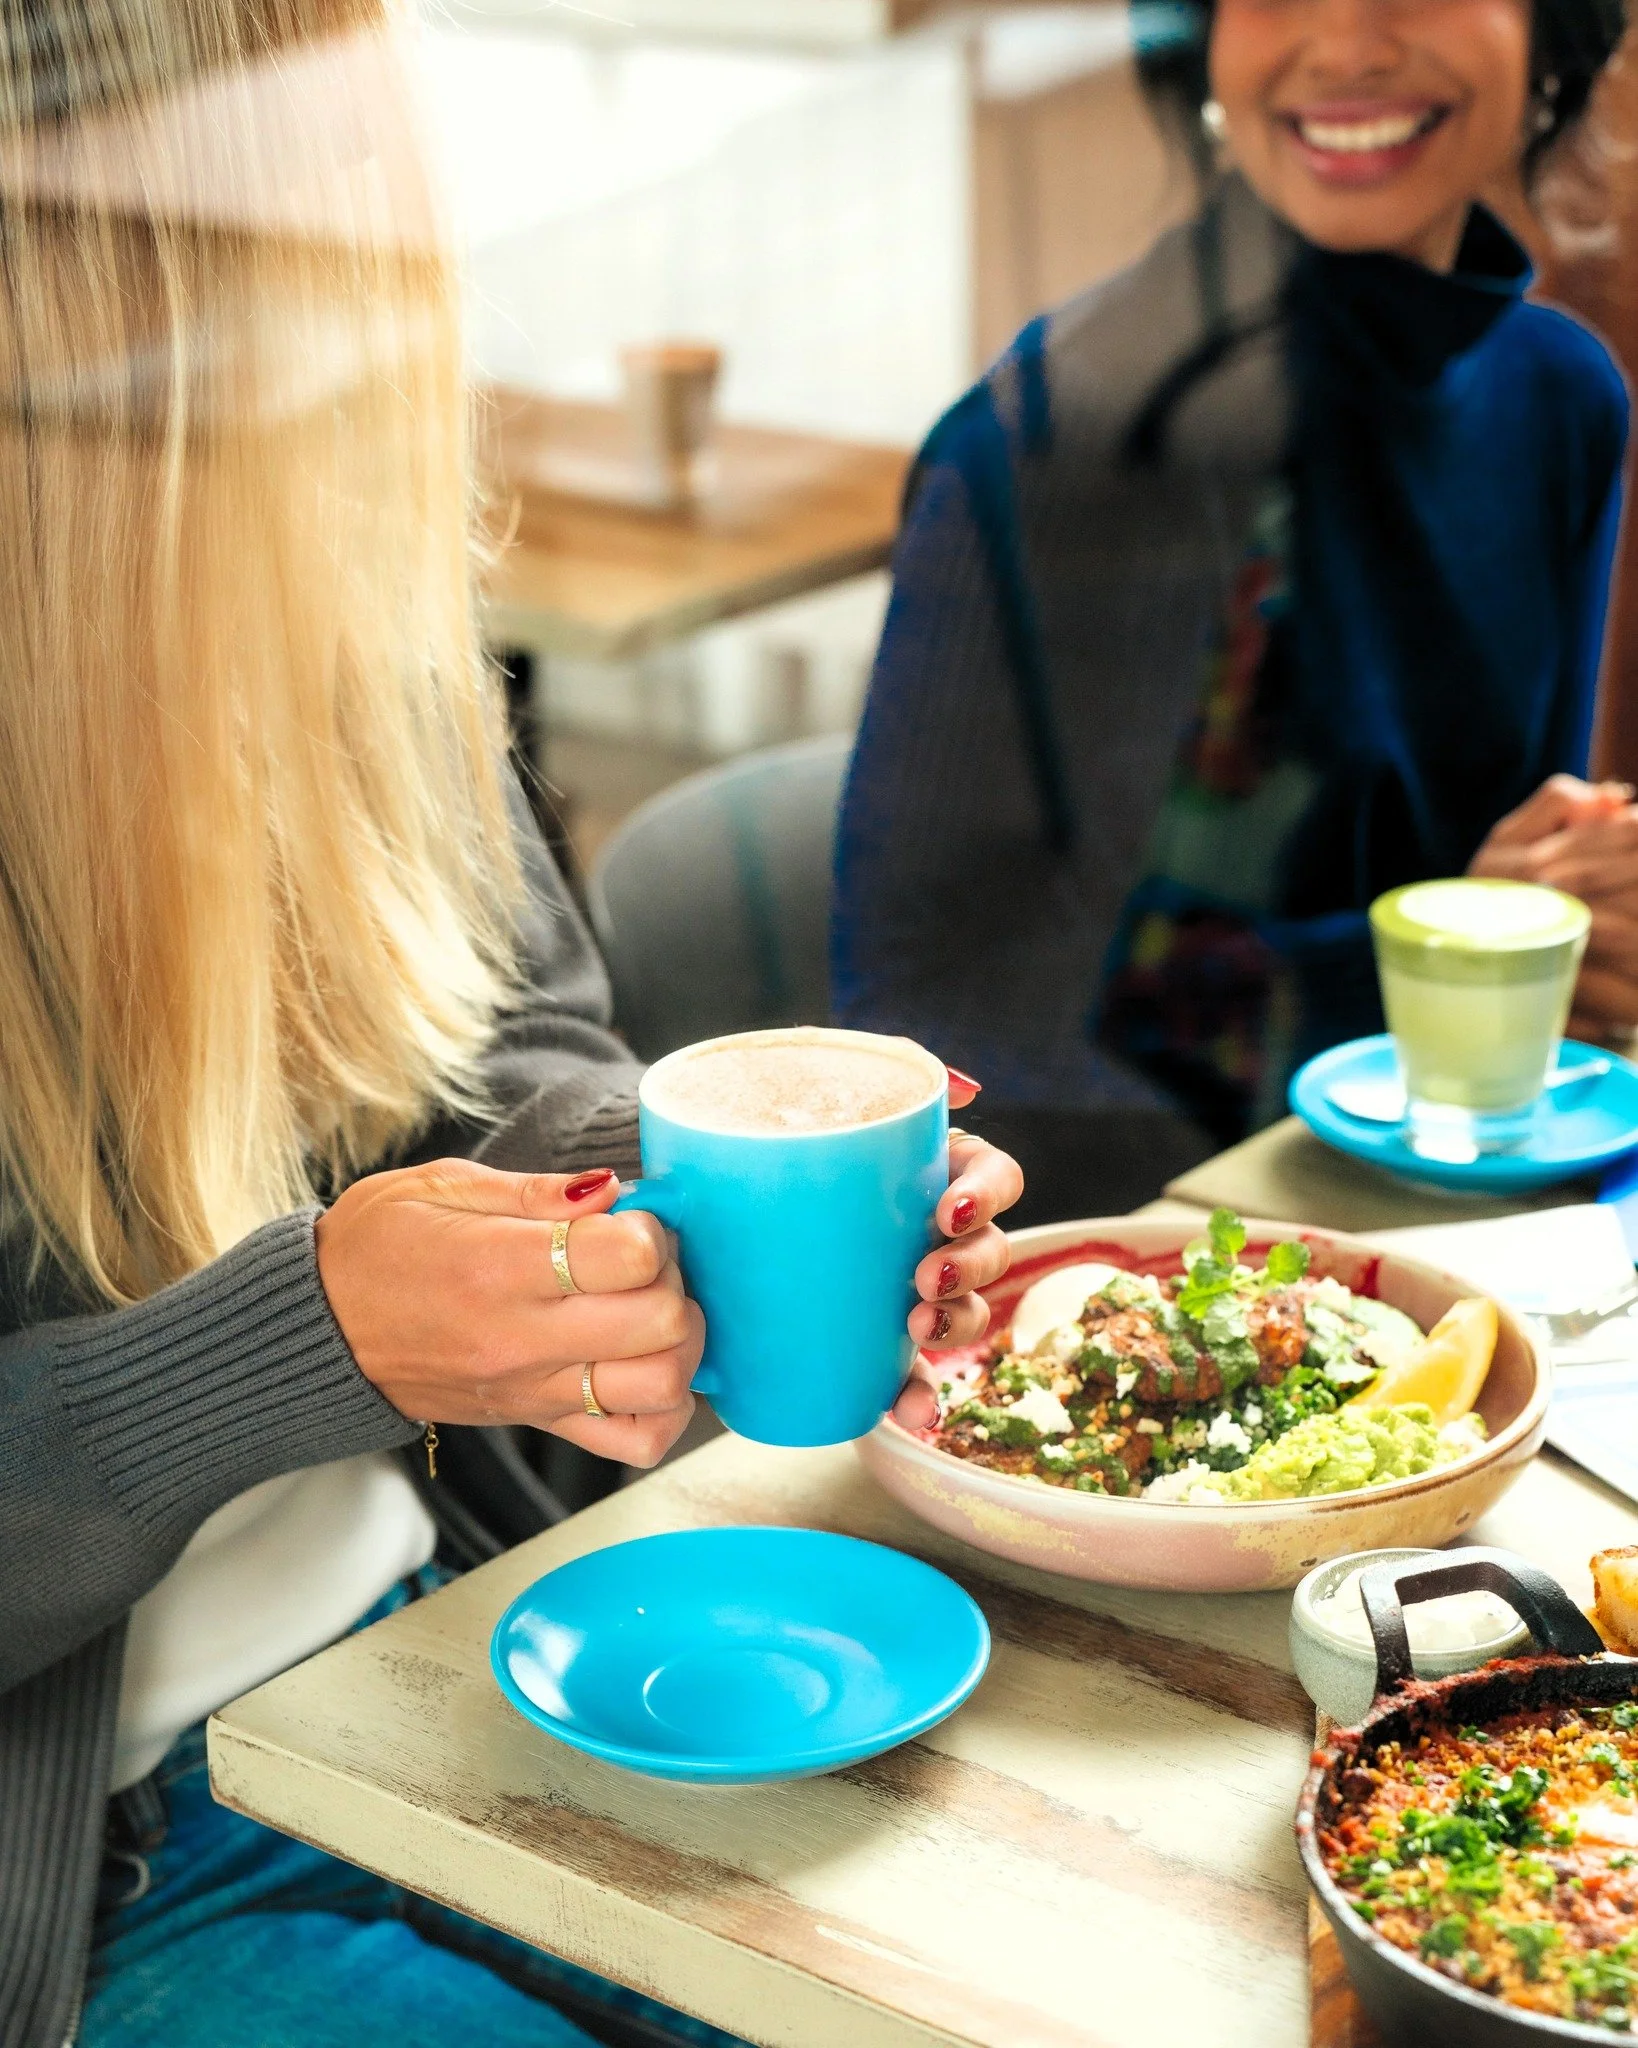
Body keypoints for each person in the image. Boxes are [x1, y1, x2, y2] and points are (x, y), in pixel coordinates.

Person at [0, 5, 1023, 2044]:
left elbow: (505, 1032)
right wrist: (300, 1343)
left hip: (466, 1637)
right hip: (117, 1859)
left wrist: (680, 1183)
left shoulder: (302, 581)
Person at [833, 0, 1632, 1224]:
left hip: (1467, 1207)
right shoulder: (1059, 447)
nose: (1350, 41)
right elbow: (936, 1018)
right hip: (1126, 1248)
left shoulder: (1562, 397)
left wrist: (1577, 912)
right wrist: (1436, 969)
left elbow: (1518, 894)